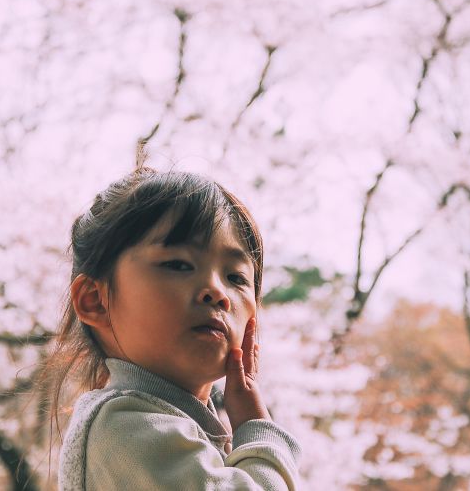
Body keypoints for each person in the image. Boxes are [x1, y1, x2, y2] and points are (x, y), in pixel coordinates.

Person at [48, 168, 302, 490]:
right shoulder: (127, 426)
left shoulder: (165, 423)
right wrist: (256, 428)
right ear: (96, 301)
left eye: (236, 278)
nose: (217, 291)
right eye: (178, 264)